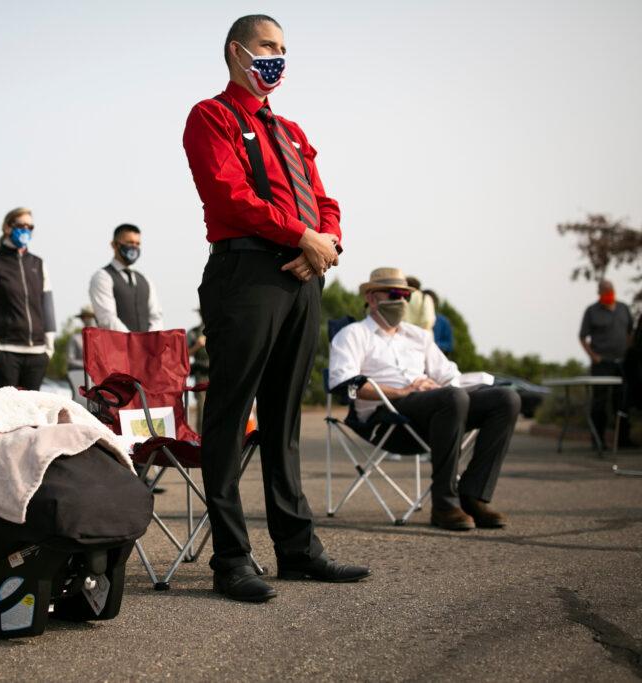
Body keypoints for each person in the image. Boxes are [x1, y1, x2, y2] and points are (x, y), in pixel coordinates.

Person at [182, 14, 369, 603]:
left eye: (284, 49)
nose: (278, 57)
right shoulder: (212, 115)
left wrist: (327, 243)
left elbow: (323, 198)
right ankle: (232, 559)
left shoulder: (288, 128)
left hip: (302, 274)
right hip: (246, 273)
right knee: (231, 416)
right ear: (237, 51)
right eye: (268, 46)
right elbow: (229, 195)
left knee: (285, 416)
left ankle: (297, 551)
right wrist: (300, 237)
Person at [329, 267, 521, 531]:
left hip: (438, 412)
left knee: (505, 399)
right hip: (386, 418)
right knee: (451, 398)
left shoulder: (419, 336)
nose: (402, 301)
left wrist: (442, 386)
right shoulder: (353, 335)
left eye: (407, 295)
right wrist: (404, 391)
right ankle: (444, 504)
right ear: (372, 298)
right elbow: (345, 383)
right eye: (395, 293)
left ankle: (472, 496)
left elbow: (449, 375)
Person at [0, 207, 56, 391]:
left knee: (33, 416)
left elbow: (47, 307)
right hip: (4, 353)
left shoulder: (38, 264)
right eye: (21, 225)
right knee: (5, 416)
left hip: (37, 355)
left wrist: (49, 349)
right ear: (7, 228)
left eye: (30, 227)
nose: (25, 230)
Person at [579, 279, 634, 448]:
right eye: (605, 291)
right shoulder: (592, 311)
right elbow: (583, 337)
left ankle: (623, 440)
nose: (608, 294)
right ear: (599, 293)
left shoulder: (624, 308)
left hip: (622, 363)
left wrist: (628, 351)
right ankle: (598, 440)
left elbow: (630, 332)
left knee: (622, 402)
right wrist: (593, 356)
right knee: (599, 403)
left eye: (610, 290)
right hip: (602, 363)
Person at [89, 223, 163, 332]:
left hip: (147, 347)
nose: (134, 247)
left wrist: (150, 341)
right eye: (129, 243)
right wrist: (133, 342)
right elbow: (106, 318)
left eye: (137, 244)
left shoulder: (145, 280)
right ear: (114, 245)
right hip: (116, 347)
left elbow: (156, 317)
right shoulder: (102, 277)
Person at [66, 305, 95, 406]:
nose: (90, 320)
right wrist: (88, 364)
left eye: (92, 317)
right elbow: (70, 360)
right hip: (80, 375)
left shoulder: (102, 338)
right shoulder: (75, 338)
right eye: (87, 317)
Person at [423, 289, 454, 356]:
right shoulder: (414, 319)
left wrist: (434, 345)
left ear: (435, 304)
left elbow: (449, 345)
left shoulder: (443, 322)